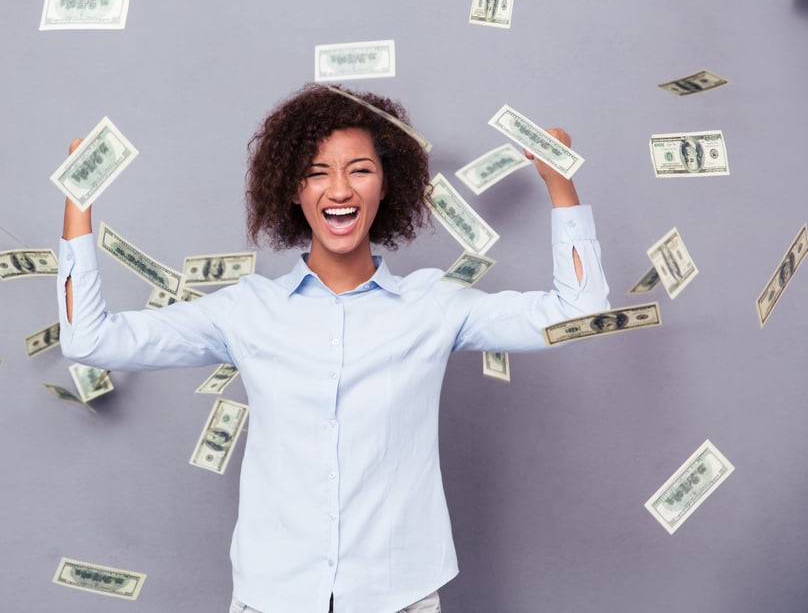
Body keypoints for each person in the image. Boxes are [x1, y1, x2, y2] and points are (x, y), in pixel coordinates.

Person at [57, 83, 610, 613]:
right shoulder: (246, 311)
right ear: (292, 190)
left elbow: (578, 309)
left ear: (387, 186)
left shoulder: (435, 306)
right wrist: (78, 198)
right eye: (317, 173)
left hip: (400, 594)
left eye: (360, 171)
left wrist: (558, 179)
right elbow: (90, 338)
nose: (340, 190)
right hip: (272, 596)